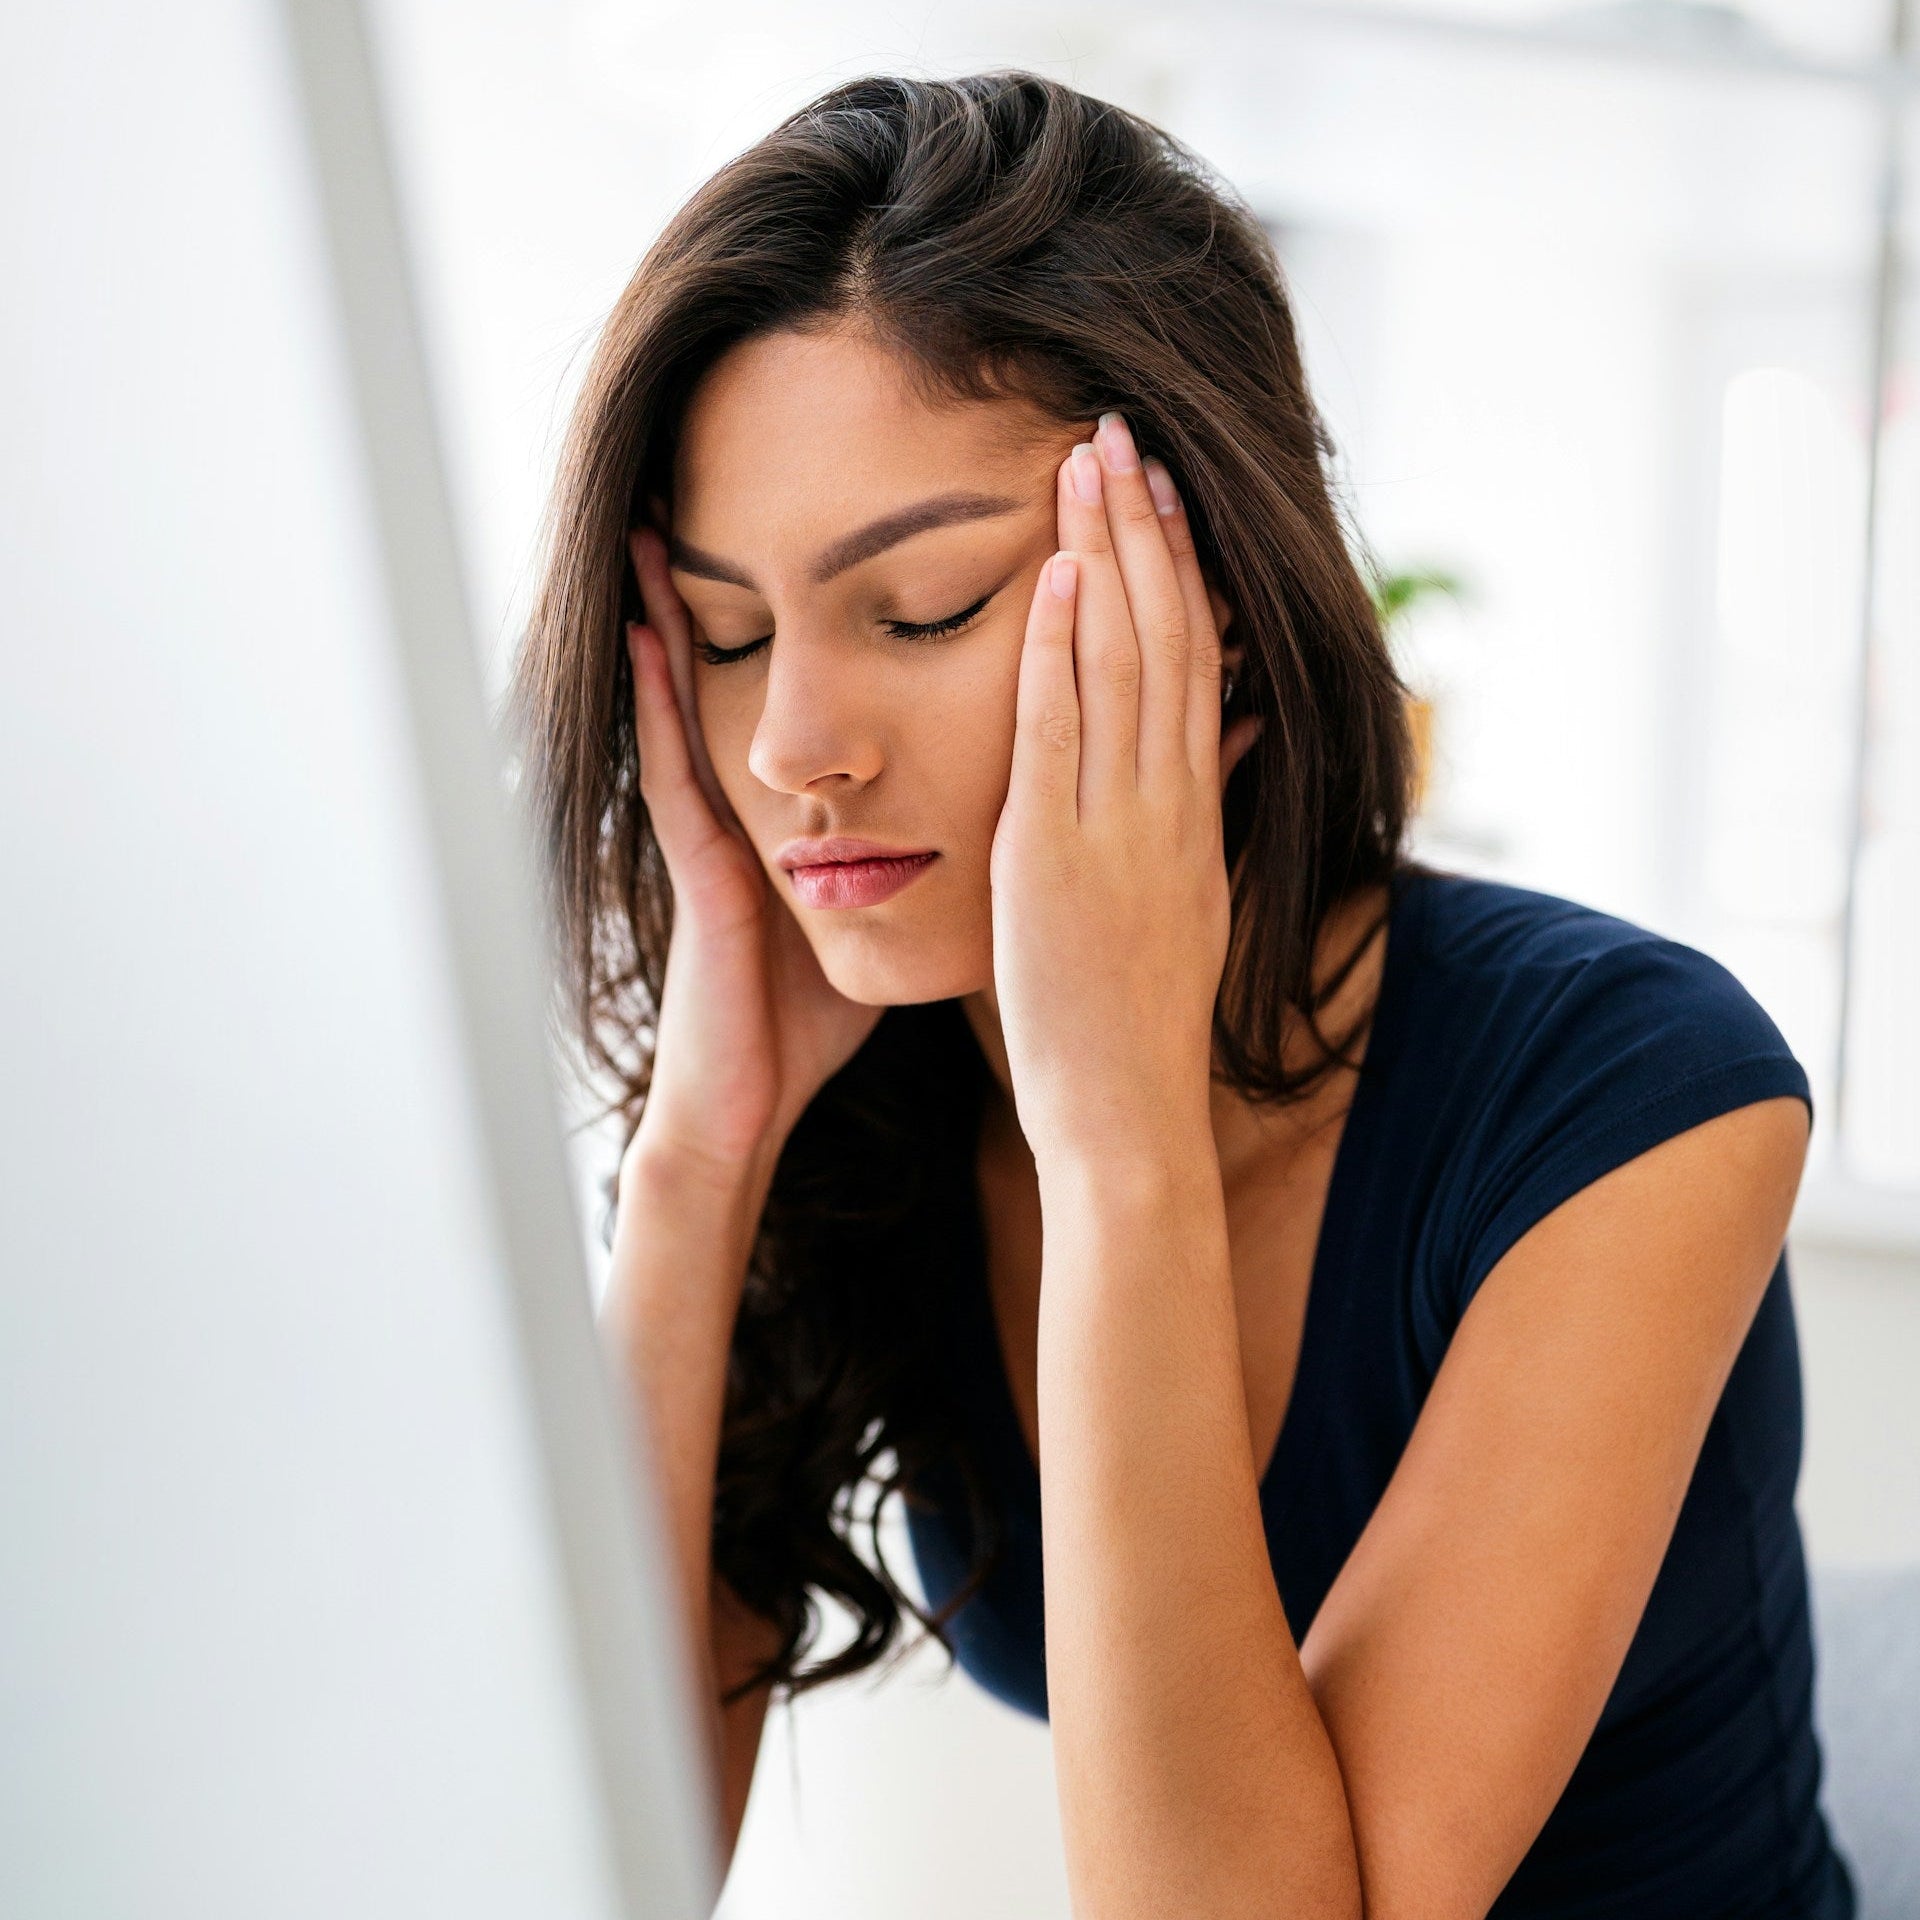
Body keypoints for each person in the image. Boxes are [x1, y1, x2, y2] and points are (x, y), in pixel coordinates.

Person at [508, 70, 1855, 1919]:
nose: (795, 746)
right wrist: (696, 1155)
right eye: (732, 636)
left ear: (1205, 593)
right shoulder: (857, 1118)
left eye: (921, 610)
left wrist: (1116, 1132)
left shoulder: (1639, 1096)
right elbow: (585, 1867)